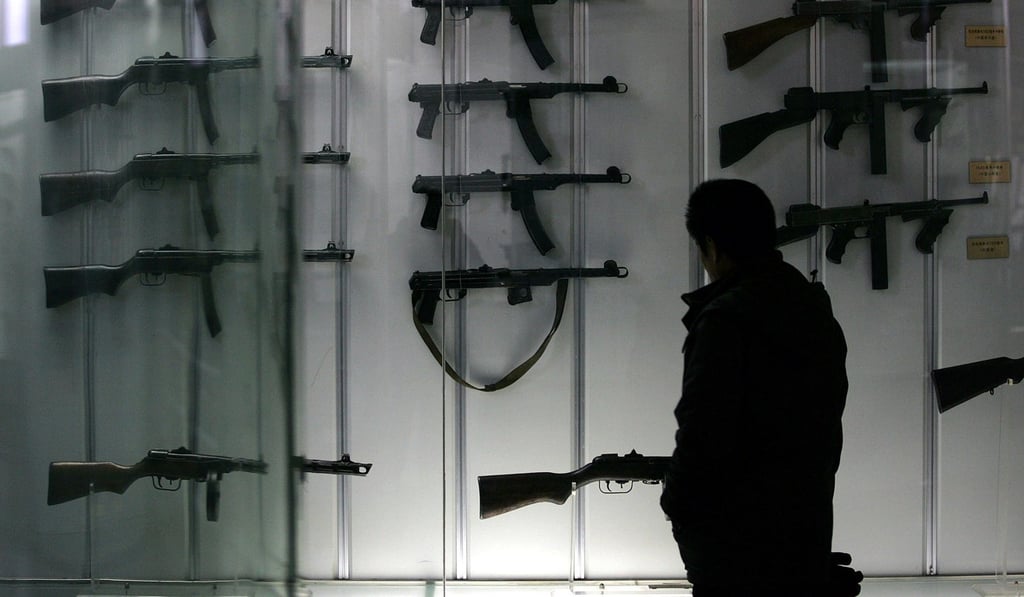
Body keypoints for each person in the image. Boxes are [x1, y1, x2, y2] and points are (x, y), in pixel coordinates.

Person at [660, 179, 859, 596]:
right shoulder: (812, 305)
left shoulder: (724, 319)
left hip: (734, 548)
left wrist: (676, 505)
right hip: (803, 530)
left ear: (711, 247)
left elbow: (701, 433)